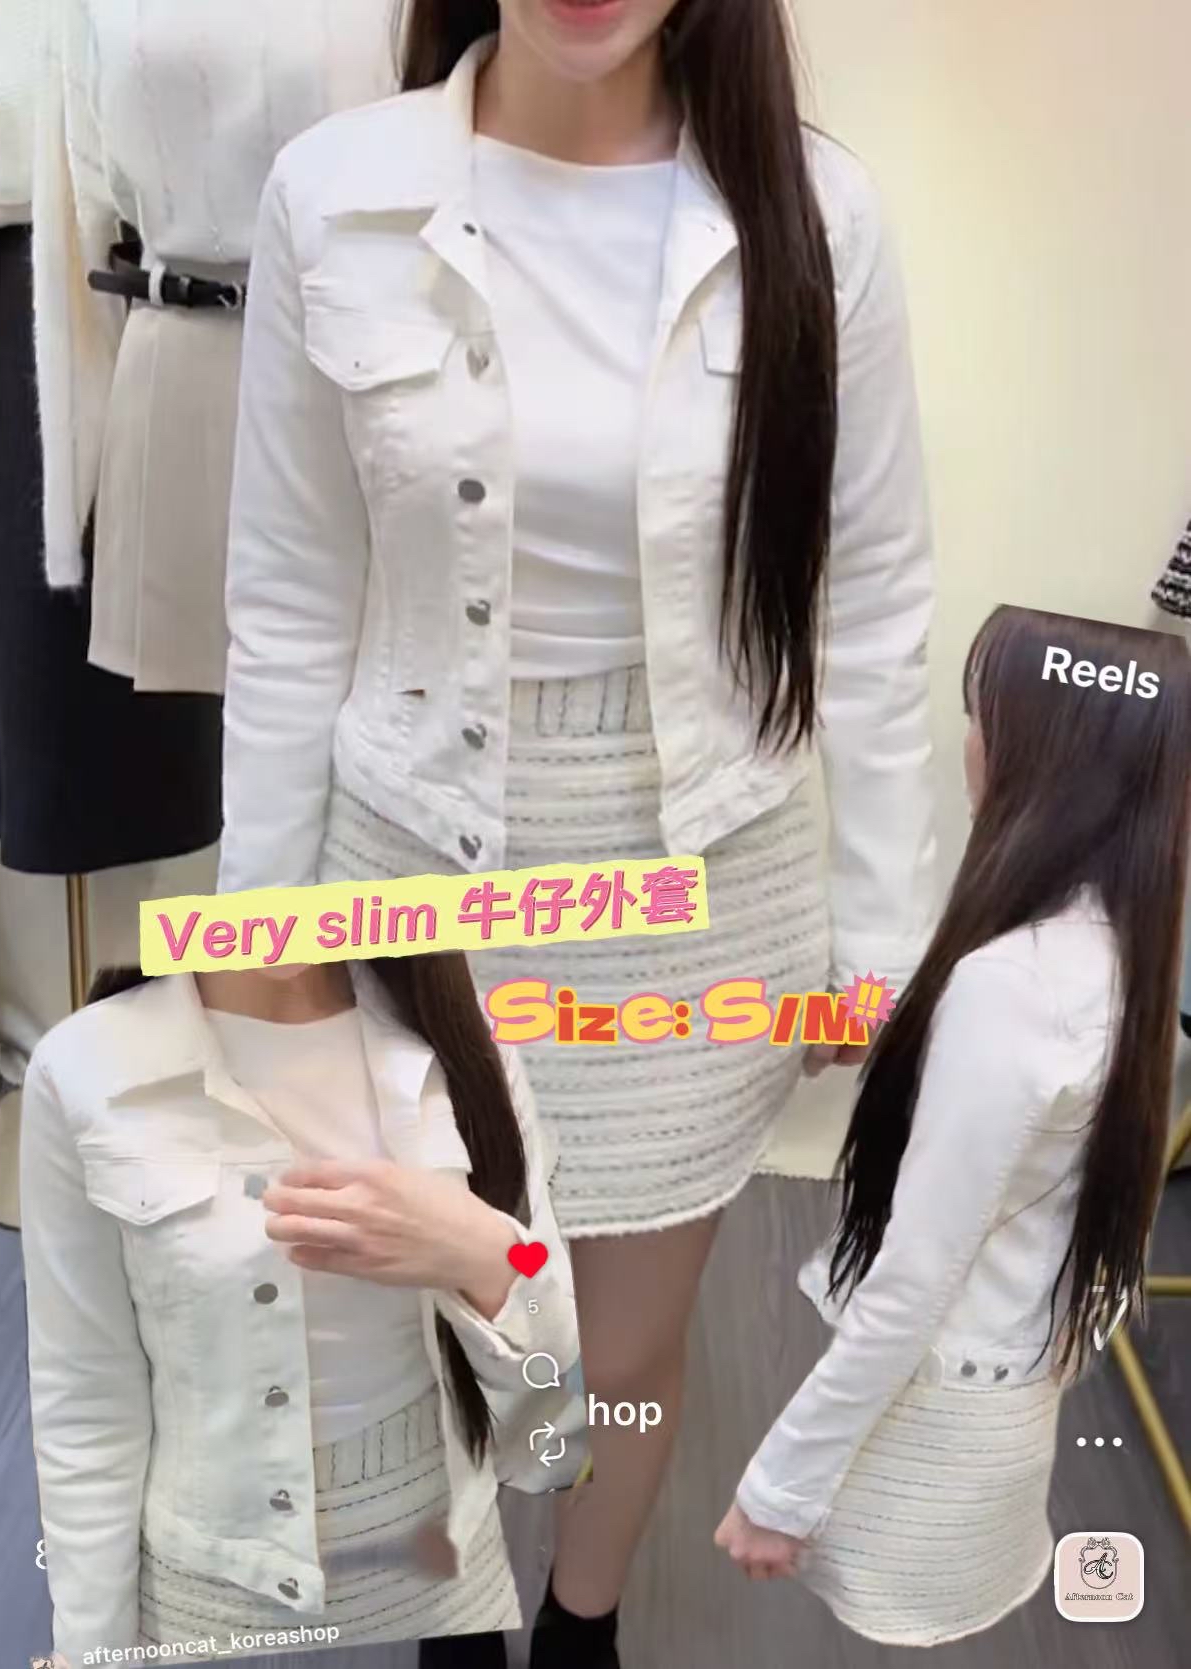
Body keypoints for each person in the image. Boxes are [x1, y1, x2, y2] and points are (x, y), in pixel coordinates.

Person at [217, 3, 938, 1662]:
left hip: (703, 876)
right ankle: (455, 1610)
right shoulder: (334, 192)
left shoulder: (817, 215)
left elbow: (873, 606)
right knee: (435, 1323)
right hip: (414, 860)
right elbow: (290, 601)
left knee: (615, 1348)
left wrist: (883, 945)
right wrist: (260, 943)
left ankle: (580, 1619)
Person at [717, 606, 1191, 1645]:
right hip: (1011, 1393)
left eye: (981, 718)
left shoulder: (1012, 986)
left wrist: (778, 1490)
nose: (966, 741)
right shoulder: (1117, 951)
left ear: (1043, 759)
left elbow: (914, 1279)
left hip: (935, 1417)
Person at [20, 954, 584, 1667]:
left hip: (445, 1583)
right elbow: (86, 1402)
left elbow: (556, 1400)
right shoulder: (81, 1066)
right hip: (201, 1602)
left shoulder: (470, 1039)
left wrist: (482, 1255)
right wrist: (88, 1651)